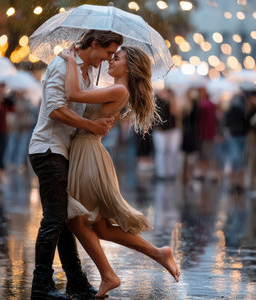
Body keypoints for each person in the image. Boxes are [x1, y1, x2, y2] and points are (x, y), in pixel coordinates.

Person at [61, 45, 180, 298]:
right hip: (89, 152)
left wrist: (71, 60)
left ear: (129, 66)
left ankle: (108, 274)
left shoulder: (118, 89)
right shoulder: (116, 89)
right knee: (100, 227)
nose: (110, 61)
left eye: (117, 58)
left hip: (88, 154)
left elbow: (72, 93)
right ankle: (157, 253)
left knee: (74, 217)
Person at [28, 30, 121, 299]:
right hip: (48, 149)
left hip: (64, 151)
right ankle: (41, 284)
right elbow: (55, 109)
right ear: (93, 44)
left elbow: (81, 101)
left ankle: (76, 280)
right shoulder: (60, 64)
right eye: (107, 52)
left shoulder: (88, 71)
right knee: (54, 218)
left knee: (67, 217)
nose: (108, 59)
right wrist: (90, 125)